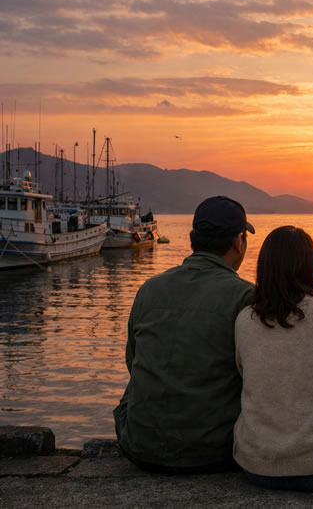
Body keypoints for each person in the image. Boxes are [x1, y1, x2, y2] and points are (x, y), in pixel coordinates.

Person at [114, 196, 254, 473]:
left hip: (140, 447)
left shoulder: (149, 289)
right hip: (216, 452)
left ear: (193, 239)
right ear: (238, 241)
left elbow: (132, 361)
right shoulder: (246, 297)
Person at [233, 225, 313, 491]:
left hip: (259, 466)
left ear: (265, 268)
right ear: (311, 267)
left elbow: (245, 375)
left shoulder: (244, 320)